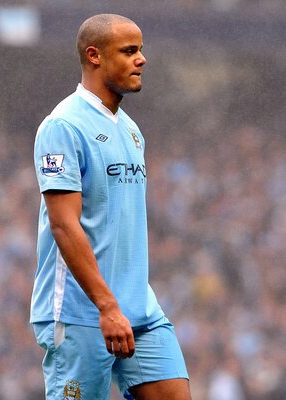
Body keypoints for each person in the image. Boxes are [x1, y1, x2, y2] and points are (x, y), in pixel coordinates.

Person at [30, 13, 191, 400]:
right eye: (129, 50)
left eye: (141, 50)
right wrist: (106, 306)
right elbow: (65, 226)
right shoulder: (62, 127)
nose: (142, 59)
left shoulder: (131, 129)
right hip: (82, 312)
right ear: (95, 55)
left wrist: (120, 307)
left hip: (138, 310)